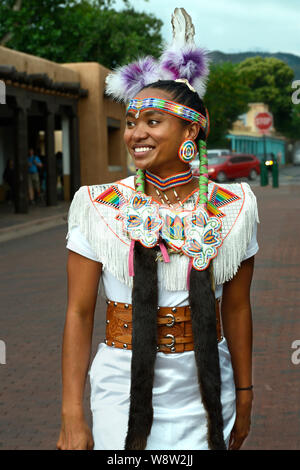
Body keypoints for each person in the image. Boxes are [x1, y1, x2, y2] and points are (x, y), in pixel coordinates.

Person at [57, 8, 258, 451]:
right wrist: (73, 414)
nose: (135, 135)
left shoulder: (235, 208)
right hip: (120, 385)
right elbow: (78, 313)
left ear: (190, 130)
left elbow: (238, 310)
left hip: (207, 388)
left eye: (152, 122)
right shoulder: (98, 205)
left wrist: (244, 396)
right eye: (130, 123)